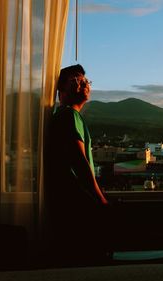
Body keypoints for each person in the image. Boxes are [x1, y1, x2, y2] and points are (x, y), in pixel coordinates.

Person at [43, 64, 110, 267]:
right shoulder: (68, 116)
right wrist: (101, 200)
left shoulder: (70, 116)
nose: (83, 84)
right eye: (75, 80)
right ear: (60, 90)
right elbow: (80, 162)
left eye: (85, 80)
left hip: (70, 203)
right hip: (75, 205)